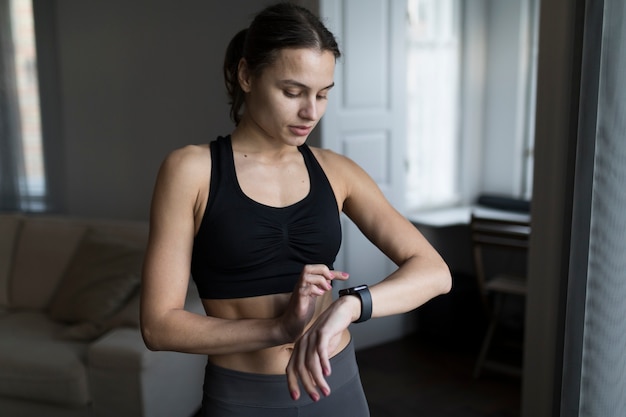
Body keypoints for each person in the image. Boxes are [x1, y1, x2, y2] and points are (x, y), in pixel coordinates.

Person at [140, 2, 451, 416]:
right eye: (293, 92)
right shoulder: (191, 171)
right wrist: (278, 328)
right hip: (243, 397)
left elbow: (435, 272)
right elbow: (158, 326)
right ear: (247, 75)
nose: (311, 112)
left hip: (338, 387)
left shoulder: (337, 171)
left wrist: (349, 306)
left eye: (322, 94)